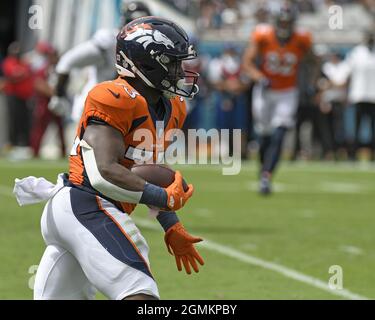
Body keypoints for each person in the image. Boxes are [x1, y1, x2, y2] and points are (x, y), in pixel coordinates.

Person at [14, 16, 204, 300]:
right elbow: (103, 172)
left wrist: (170, 223)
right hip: (85, 203)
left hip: (83, 210)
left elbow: (142, 169)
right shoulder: (114, 96)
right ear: (147, 63)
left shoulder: (173, 107)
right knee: (140, 295)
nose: (180, 71)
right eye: (172, 62)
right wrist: (163, 198)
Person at [242, 3, 316, 194]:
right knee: (265, 135)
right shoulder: (262, 35)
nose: (284, 25)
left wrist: (312, 82)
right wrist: (260, 77)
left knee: (280, 132)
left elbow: (313, 61)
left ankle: (266, 175)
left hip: (287, 91)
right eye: (281, 21)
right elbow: (247, 63)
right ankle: (263, 170)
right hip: (265, 91)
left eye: (288, 22)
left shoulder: (302, 38)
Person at [49, 1, 152, 121]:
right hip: (93, 111)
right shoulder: (110, 42)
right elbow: (67, 61)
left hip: (115, 114)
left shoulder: (142, 50)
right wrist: (58, 96)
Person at [29, 42, 66, 158]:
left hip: (56, 103)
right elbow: (38, 84)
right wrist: (52, 92)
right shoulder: (43, 69)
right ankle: (35, 151)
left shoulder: (59, 70)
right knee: (40, 128)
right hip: (44, 103)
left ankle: (63, 151)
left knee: (60, 128)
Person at [343, 31, 375, 161]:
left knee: (373, 128)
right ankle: (352, 154)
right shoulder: (357, 52)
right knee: (356, 127)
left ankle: (372, 153)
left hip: (373, 96)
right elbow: (347, 72)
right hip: (359, 95)